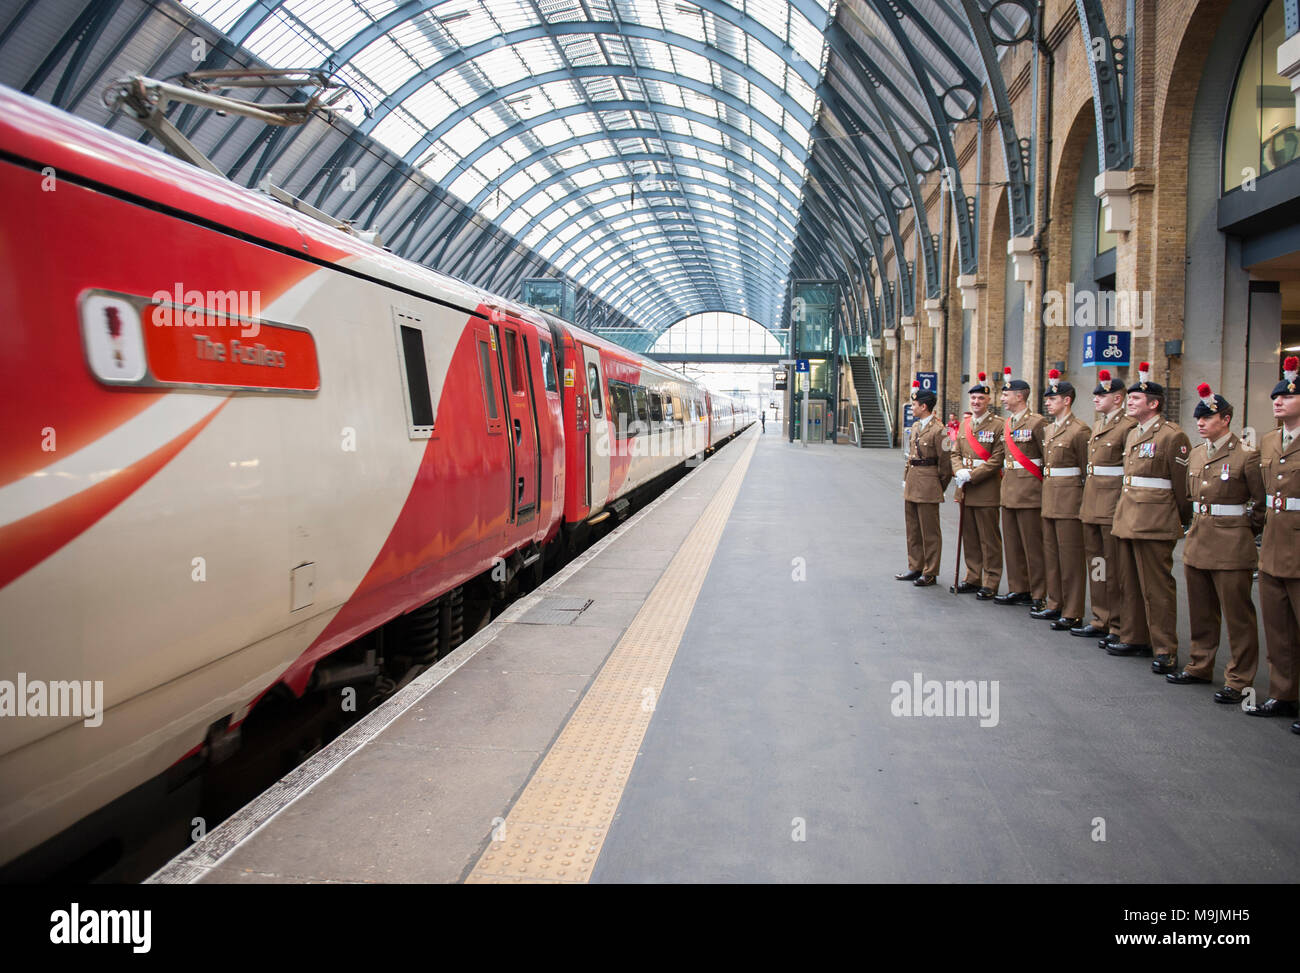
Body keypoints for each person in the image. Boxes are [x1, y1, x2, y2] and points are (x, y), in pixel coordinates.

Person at [1165, 383, 1265, 701]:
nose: (1201, 423)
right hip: (1199, 540)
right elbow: (1190, 497)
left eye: (1208, 418)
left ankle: (1239, 679)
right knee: (1201, 610)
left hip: (1232, 544)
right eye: (1199, 418)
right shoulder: (1196, 453)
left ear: (1226, 419)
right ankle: (1200, 664)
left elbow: (1260, 505)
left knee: (1238, 615)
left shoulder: (1246, 456)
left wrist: (1241, 529)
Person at [1107, 362, 1193, 675]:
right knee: (1128, 583)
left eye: (1135, 399)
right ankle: (1134, 637)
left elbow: (1182, 487)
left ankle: (1165, 649)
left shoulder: (1173, 436)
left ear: (1154, 403)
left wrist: (1182, 519)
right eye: (1128, 398)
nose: (1129, 402)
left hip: (1156, 522)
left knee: (1157, 589)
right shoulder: (1133, 434)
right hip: (1128, 517)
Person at [1247, 356, 1300, 728]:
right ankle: (1283, 694)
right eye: (1276, 397)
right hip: (1274, 544)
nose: (1278, 401)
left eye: (1288, 396)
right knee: (1278, 628)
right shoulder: (1268, 441)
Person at [1076, 370, 1136, 640]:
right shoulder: (1099, 425)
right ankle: (1100, 616)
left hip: (1112, 505)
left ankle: (1118, 622)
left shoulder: (1128, 426)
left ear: (1118, 398)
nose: (1096, 398)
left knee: (1113, 566)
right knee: (1097, 564)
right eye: (1096, 394)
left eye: (1102, 394)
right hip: (1092, 504)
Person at [1034, 370, 1091, 631]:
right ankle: (1055, 603)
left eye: (1052, 399)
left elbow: (1085, 470)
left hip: (1069, 500)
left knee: (1070, 558)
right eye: (1047, 399)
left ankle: (1073, 610)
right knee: (1052, 555)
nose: (1047, 402)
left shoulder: (1080, 431)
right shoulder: (1048, 430)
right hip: (1050, 497)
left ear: (1066, 401)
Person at [994, 367, 1049, 609]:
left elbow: (1047, 458)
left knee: (1033, 547)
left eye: (1006, 395)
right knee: (1013, 545)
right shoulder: (1008, 424)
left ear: (1020, 396)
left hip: (1029, 493)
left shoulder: (1037, 422)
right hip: (1009, 491)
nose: (1002, 399)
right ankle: (1018, 587)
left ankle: (1038, 593)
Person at [951, 373, 1004, 600]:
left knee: (989, 538)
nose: (976, 402)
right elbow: (955, 453)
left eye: (980, 399)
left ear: (988, 401)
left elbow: (997, 458)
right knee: (969, 537)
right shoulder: (964, 426)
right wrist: (958, 470)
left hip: (985, 488)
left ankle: (991, 581)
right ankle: (972, 577)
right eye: (973, 399)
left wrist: (972, 475)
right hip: (965, 488)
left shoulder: (999, 425)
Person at [896, 380, 952, 587]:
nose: (912, 408)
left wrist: (939, 486)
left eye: (914, 405)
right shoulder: (917, 426)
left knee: (929, 531)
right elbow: (911, 456)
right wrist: (906, 478)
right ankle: (915, 566)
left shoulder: (940, 430)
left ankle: (930, 571)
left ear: (924, 406)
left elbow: (945, 464)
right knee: (913, 529)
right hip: (912, 480)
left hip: (928, 484)